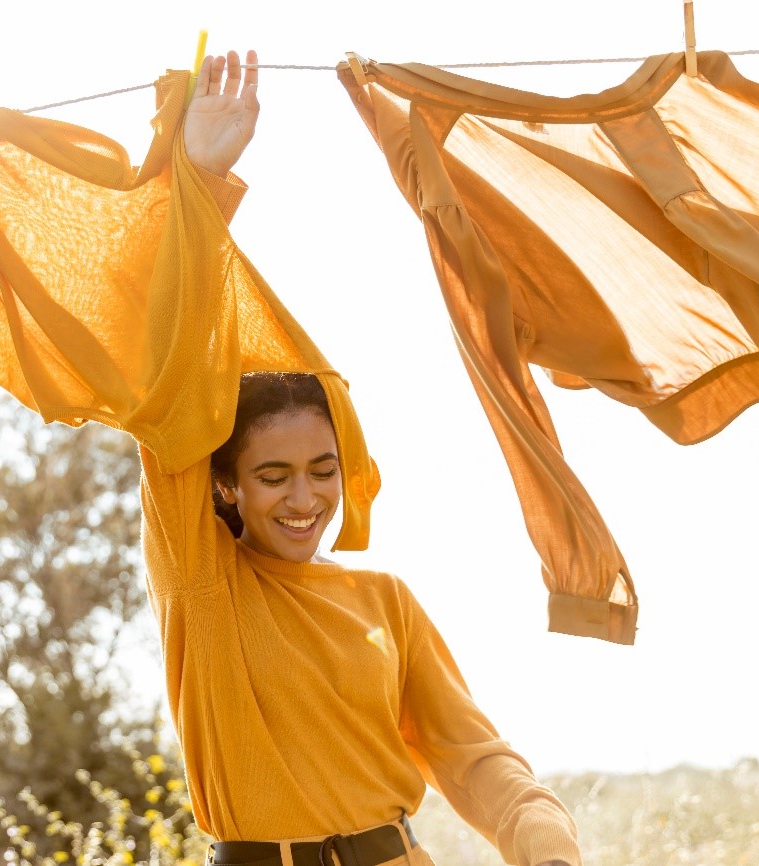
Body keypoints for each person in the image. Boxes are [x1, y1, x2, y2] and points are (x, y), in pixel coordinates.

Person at [138, 50, 582, 866]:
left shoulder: (385, 601)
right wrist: (196, 186)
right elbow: (165, 388)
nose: (303, 498)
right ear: (227, 485)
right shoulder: (203, 585)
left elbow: (470, 757)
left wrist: (544, 842)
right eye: (272, 476)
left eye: (323, 469)